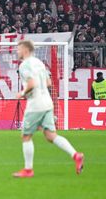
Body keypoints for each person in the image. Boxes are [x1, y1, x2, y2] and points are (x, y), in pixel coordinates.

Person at [13, 40, 84, 178]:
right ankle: (76, 155)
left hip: (36, 104)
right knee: (51, 135)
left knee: (26, 136)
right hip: (47, 102)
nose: (17, 51)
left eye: (19, 49)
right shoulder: (39, 63)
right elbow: (48, 83)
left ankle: (28, 170)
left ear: (26, 50)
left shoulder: (24, 65)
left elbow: (32, 83)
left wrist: (22, 93)